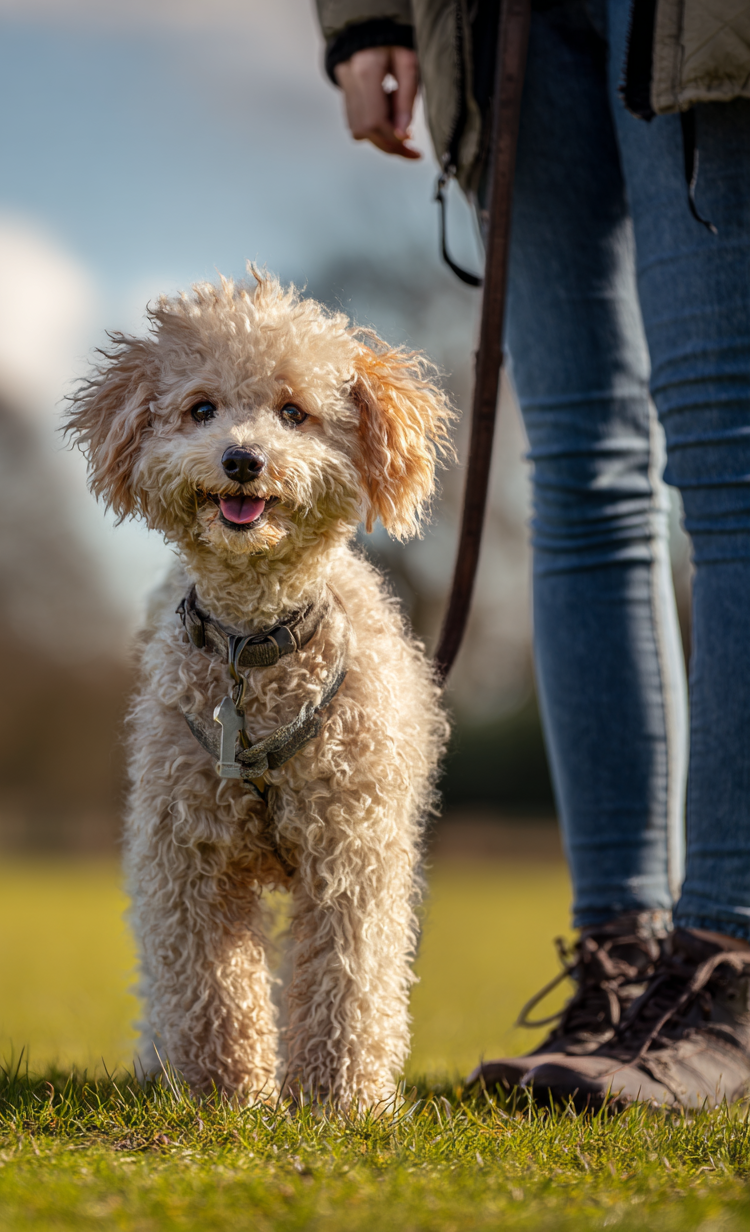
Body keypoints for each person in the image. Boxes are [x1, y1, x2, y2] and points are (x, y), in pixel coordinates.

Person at [317, 0, 750, 1106]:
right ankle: (622, 958)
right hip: (496, 22)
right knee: (577, 473)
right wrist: (365, 13)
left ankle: (729, 967)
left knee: (726, 442)